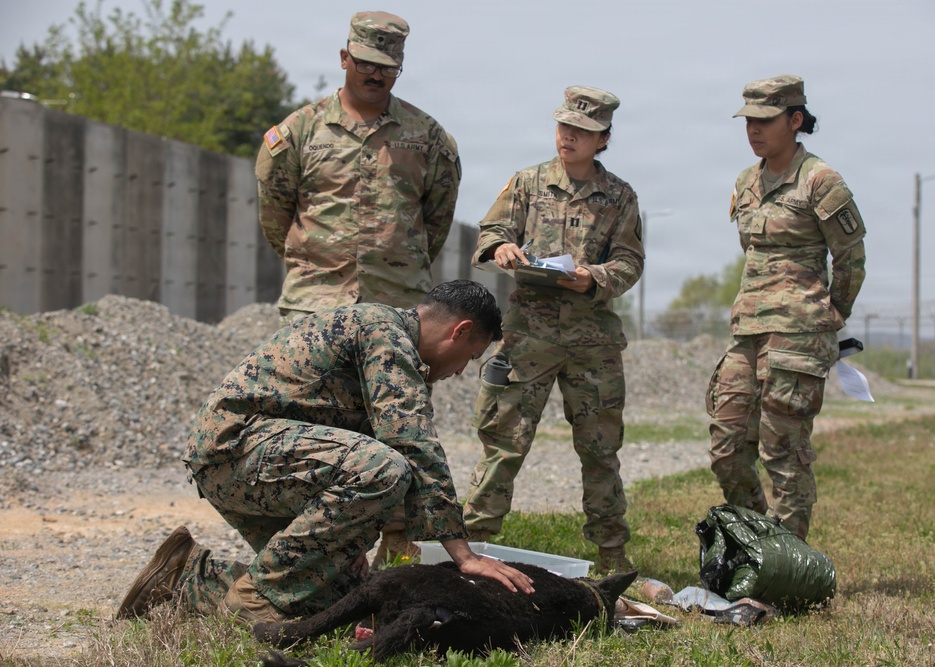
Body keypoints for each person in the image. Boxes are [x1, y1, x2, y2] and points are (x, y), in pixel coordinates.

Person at [116, 280, 535, 624]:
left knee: (340, 602)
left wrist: (347, 548)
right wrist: (463, 555)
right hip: (236, 451)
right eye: (471, 357)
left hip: (264, 461)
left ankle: (182, 577)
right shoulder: (383, 332)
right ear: (459, 331)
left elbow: (343, 453)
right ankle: (252, 602)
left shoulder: (391, 347)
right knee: (384, 468)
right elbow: (412, 443)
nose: (461, 370)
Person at [255, 11, 462, 564]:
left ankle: (396, 546)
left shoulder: (430, 137)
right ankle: (301, 550)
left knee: (397, 424)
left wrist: (398, 272)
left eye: (388, 68)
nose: (376, 75)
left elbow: (435, 222)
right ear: (344, 58)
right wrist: (317, 270)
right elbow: (276, 216)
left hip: (396, 309)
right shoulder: (297, 132)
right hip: (315, 309)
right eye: (366, 64)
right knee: (306, 429)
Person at [461, 86, 645, 575]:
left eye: (582, 132)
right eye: (564, 126)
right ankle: (471, 548)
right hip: (529, 337)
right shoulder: (526, 183)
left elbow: (630, 261)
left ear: (603, 138)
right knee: (504, 442)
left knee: (601, 450)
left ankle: (612, 558)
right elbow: (490, 233)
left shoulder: (621, 196)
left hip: (593, 342)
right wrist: (501, 249)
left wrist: (594, 277)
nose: (568, 137)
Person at [706, 74, 867, 541]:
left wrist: (831, 313)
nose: (753, 130)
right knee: (728, 446)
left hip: (798, 335)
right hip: (749, 330)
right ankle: (759, 542)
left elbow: (851, 255)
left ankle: (790, 565)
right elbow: (753, 252)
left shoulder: (820, 179)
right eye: (748, 121)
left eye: (765, 120)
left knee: (784, 451)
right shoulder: (746, 181)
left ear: (795, 120)